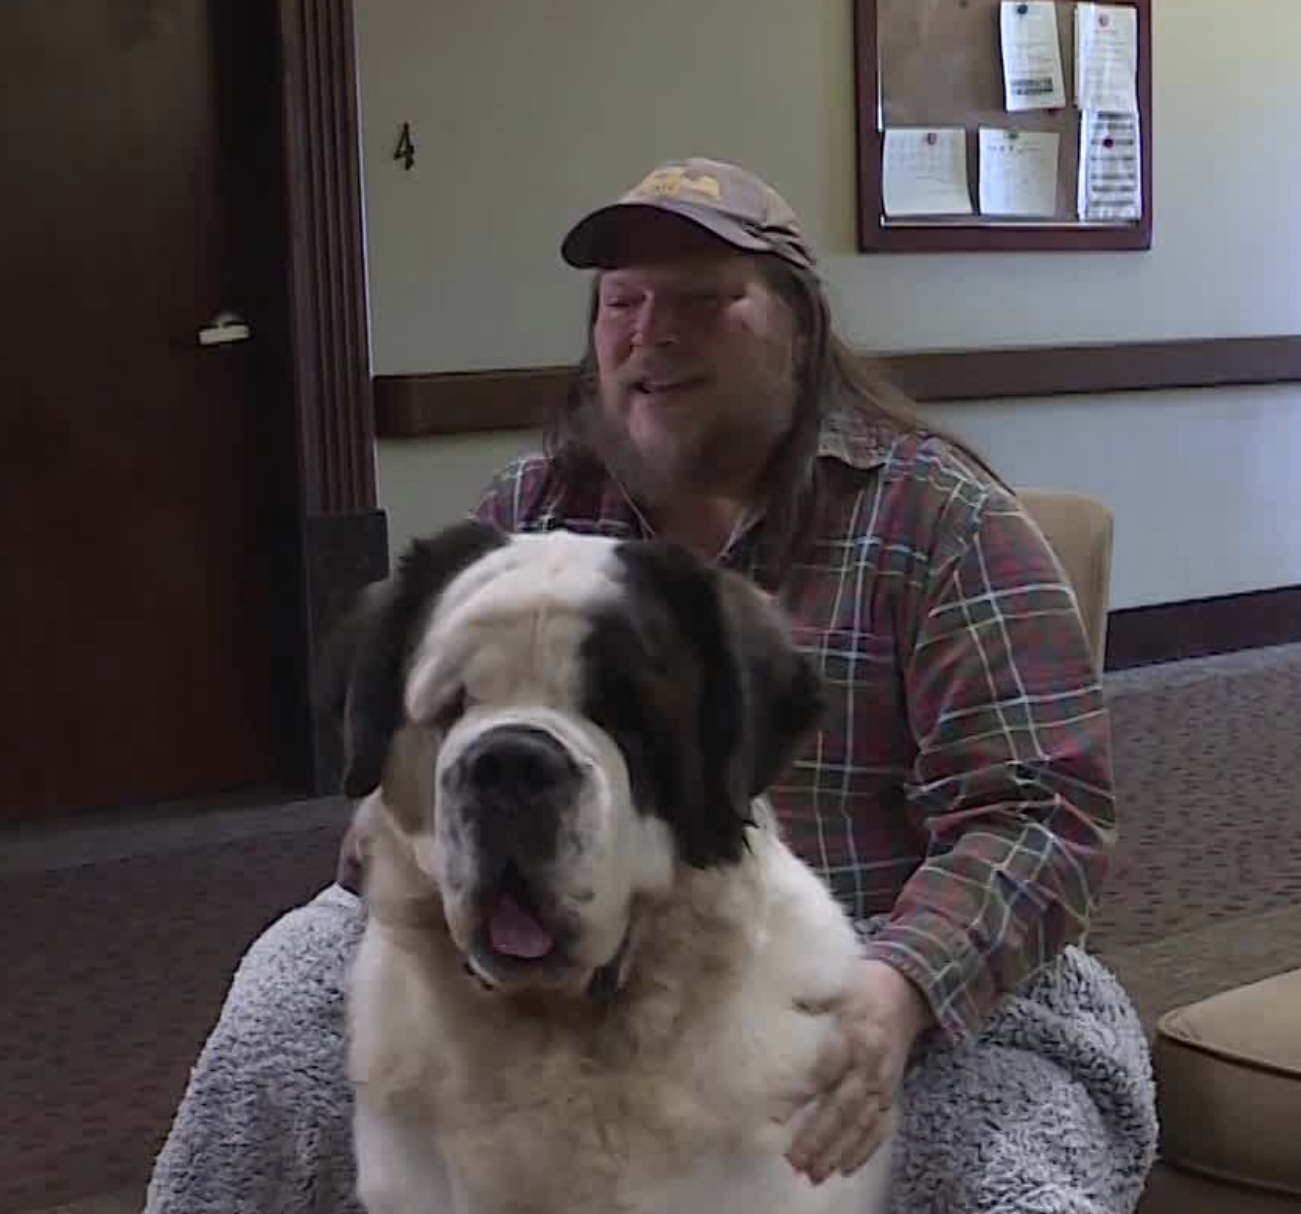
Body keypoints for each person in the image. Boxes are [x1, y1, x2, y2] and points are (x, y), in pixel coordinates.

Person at [144, 157, 1157, 1214]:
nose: (649, 332)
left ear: (801, 330)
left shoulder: (946, 524)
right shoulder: (529, 510)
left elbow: (1041, 814)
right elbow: (408, 758)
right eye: (622, 303)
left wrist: (897, 989)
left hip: (900, 969)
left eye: (701, 301)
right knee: (287, 995)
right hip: (564, 970)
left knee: (997, 1174)